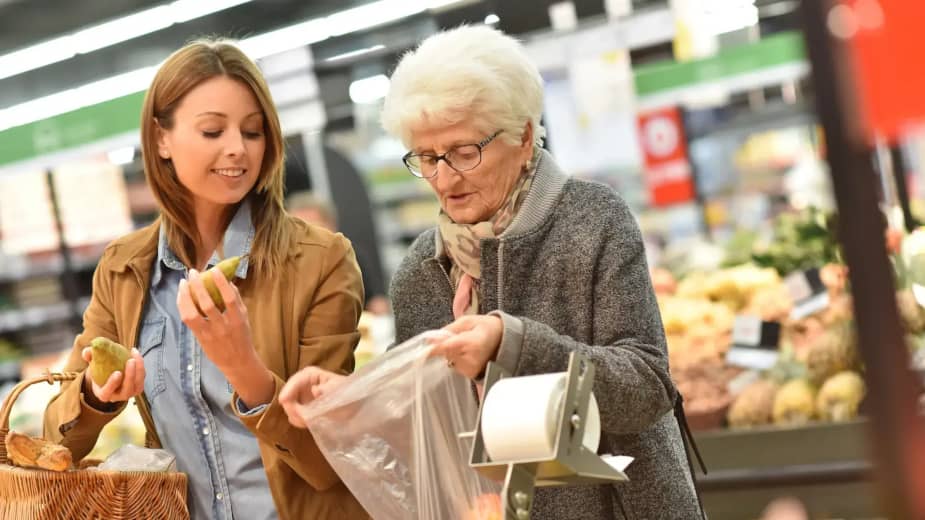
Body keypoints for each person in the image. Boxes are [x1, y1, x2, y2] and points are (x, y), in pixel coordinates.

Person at [281, 25, 703, 519]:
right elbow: (421, 414)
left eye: (463, 152)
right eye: (426, 157)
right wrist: (349, 400)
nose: (443, 178)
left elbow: (646, 387)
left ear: (523, 135)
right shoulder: (422, 270)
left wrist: (515, 344)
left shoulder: (593, 221)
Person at [44, 39, 368, 520]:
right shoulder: (125, 269)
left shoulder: (320, 261)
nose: (237, 148)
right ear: (161, 139)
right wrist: (95, 394)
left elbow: (331, 463)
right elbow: (52, 439)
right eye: (213, 130)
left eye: (253, 131)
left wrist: (245, 370)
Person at [286, 191, 390, 315]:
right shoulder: (283, 268)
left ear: (331, 226)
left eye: (313, 229)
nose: (305, 238)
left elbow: (377, 302)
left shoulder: (352, 256)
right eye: (297, 230)